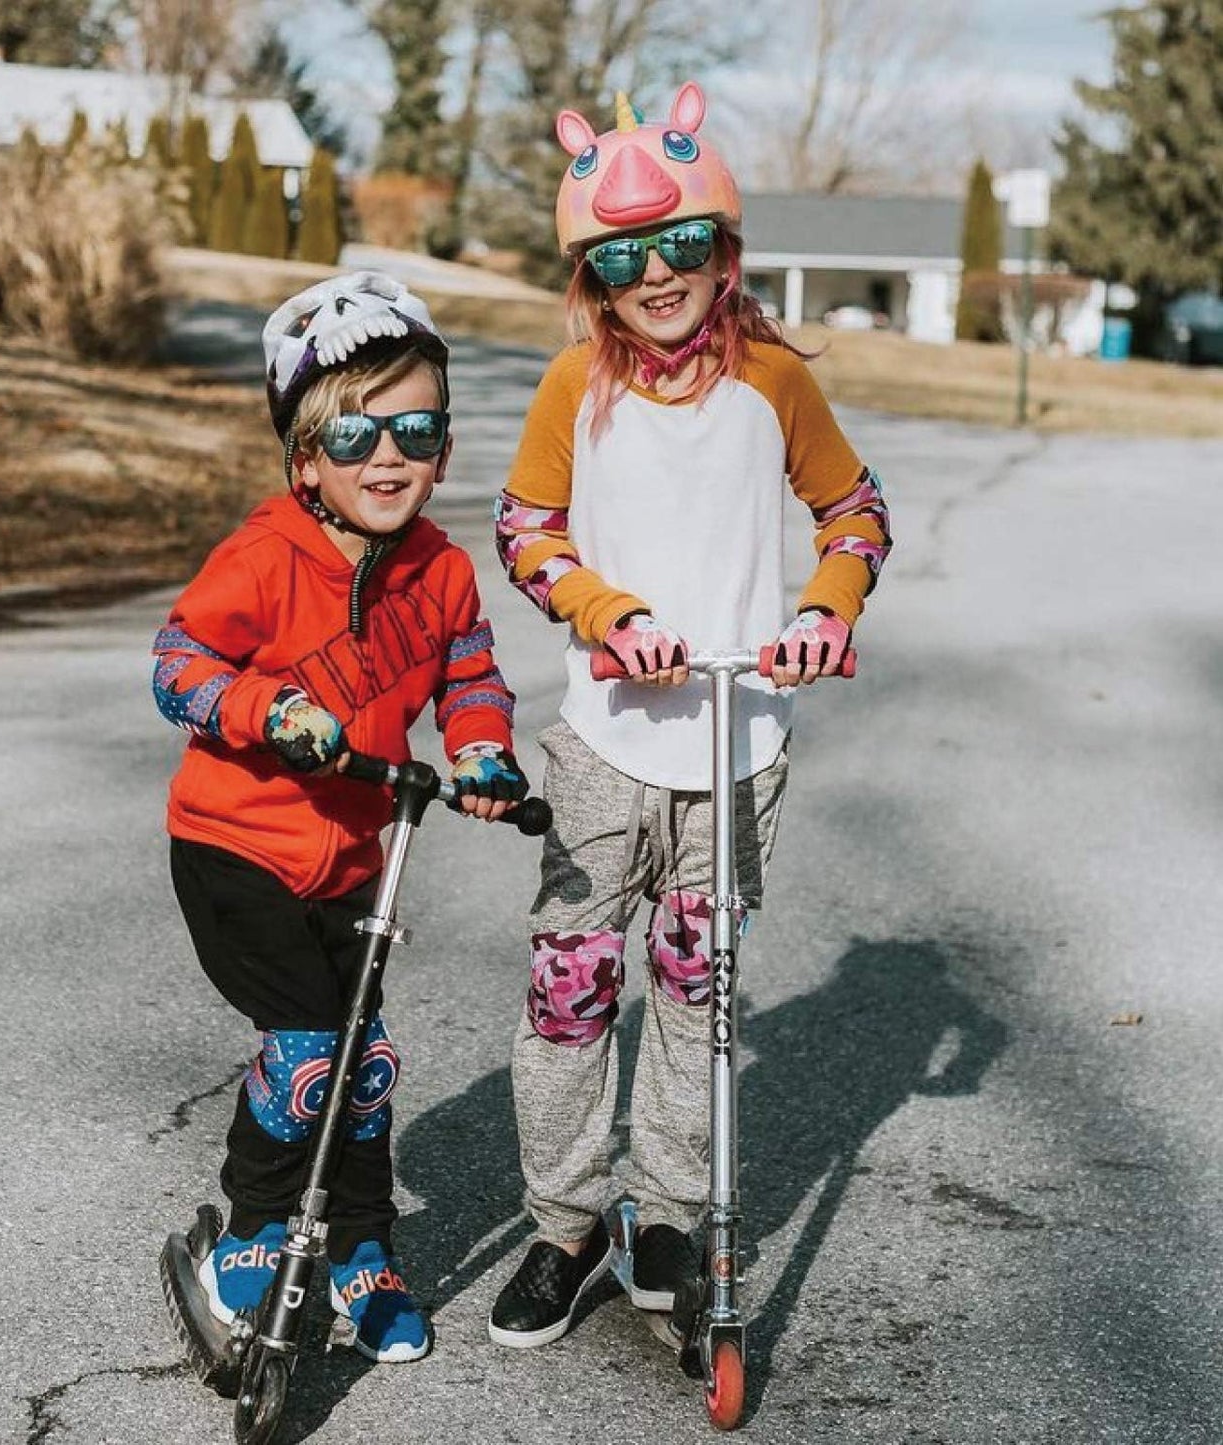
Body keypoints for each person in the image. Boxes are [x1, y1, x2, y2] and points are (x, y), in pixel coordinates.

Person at [486, 84, 892, 1348]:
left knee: (694, 991)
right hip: (605, 741)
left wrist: (827, 607)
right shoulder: (572, 388)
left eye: (677, 248)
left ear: (722, 251)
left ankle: (663, 1212)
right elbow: (522, 528)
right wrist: (600, 608)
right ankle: (564, 1227)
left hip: (736, 737)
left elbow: (853, 511)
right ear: (590, 280)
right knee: (570, 990)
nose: (654, 276)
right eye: (619, 259)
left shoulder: (771, 380)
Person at [152, 271, 527, 1365]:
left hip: (357, 856)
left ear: (445, 446)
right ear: (304, 458)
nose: (389, 455)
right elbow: (178, 665)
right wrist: (272, 709)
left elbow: (470, 673)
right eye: (355, 433)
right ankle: (256, 1239)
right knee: (315, 1048)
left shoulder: (442, 571)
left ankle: (364, 1252)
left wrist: (481, 748)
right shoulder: (265, 555)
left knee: (365, 1063)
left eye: (416, 427)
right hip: (235, 847)